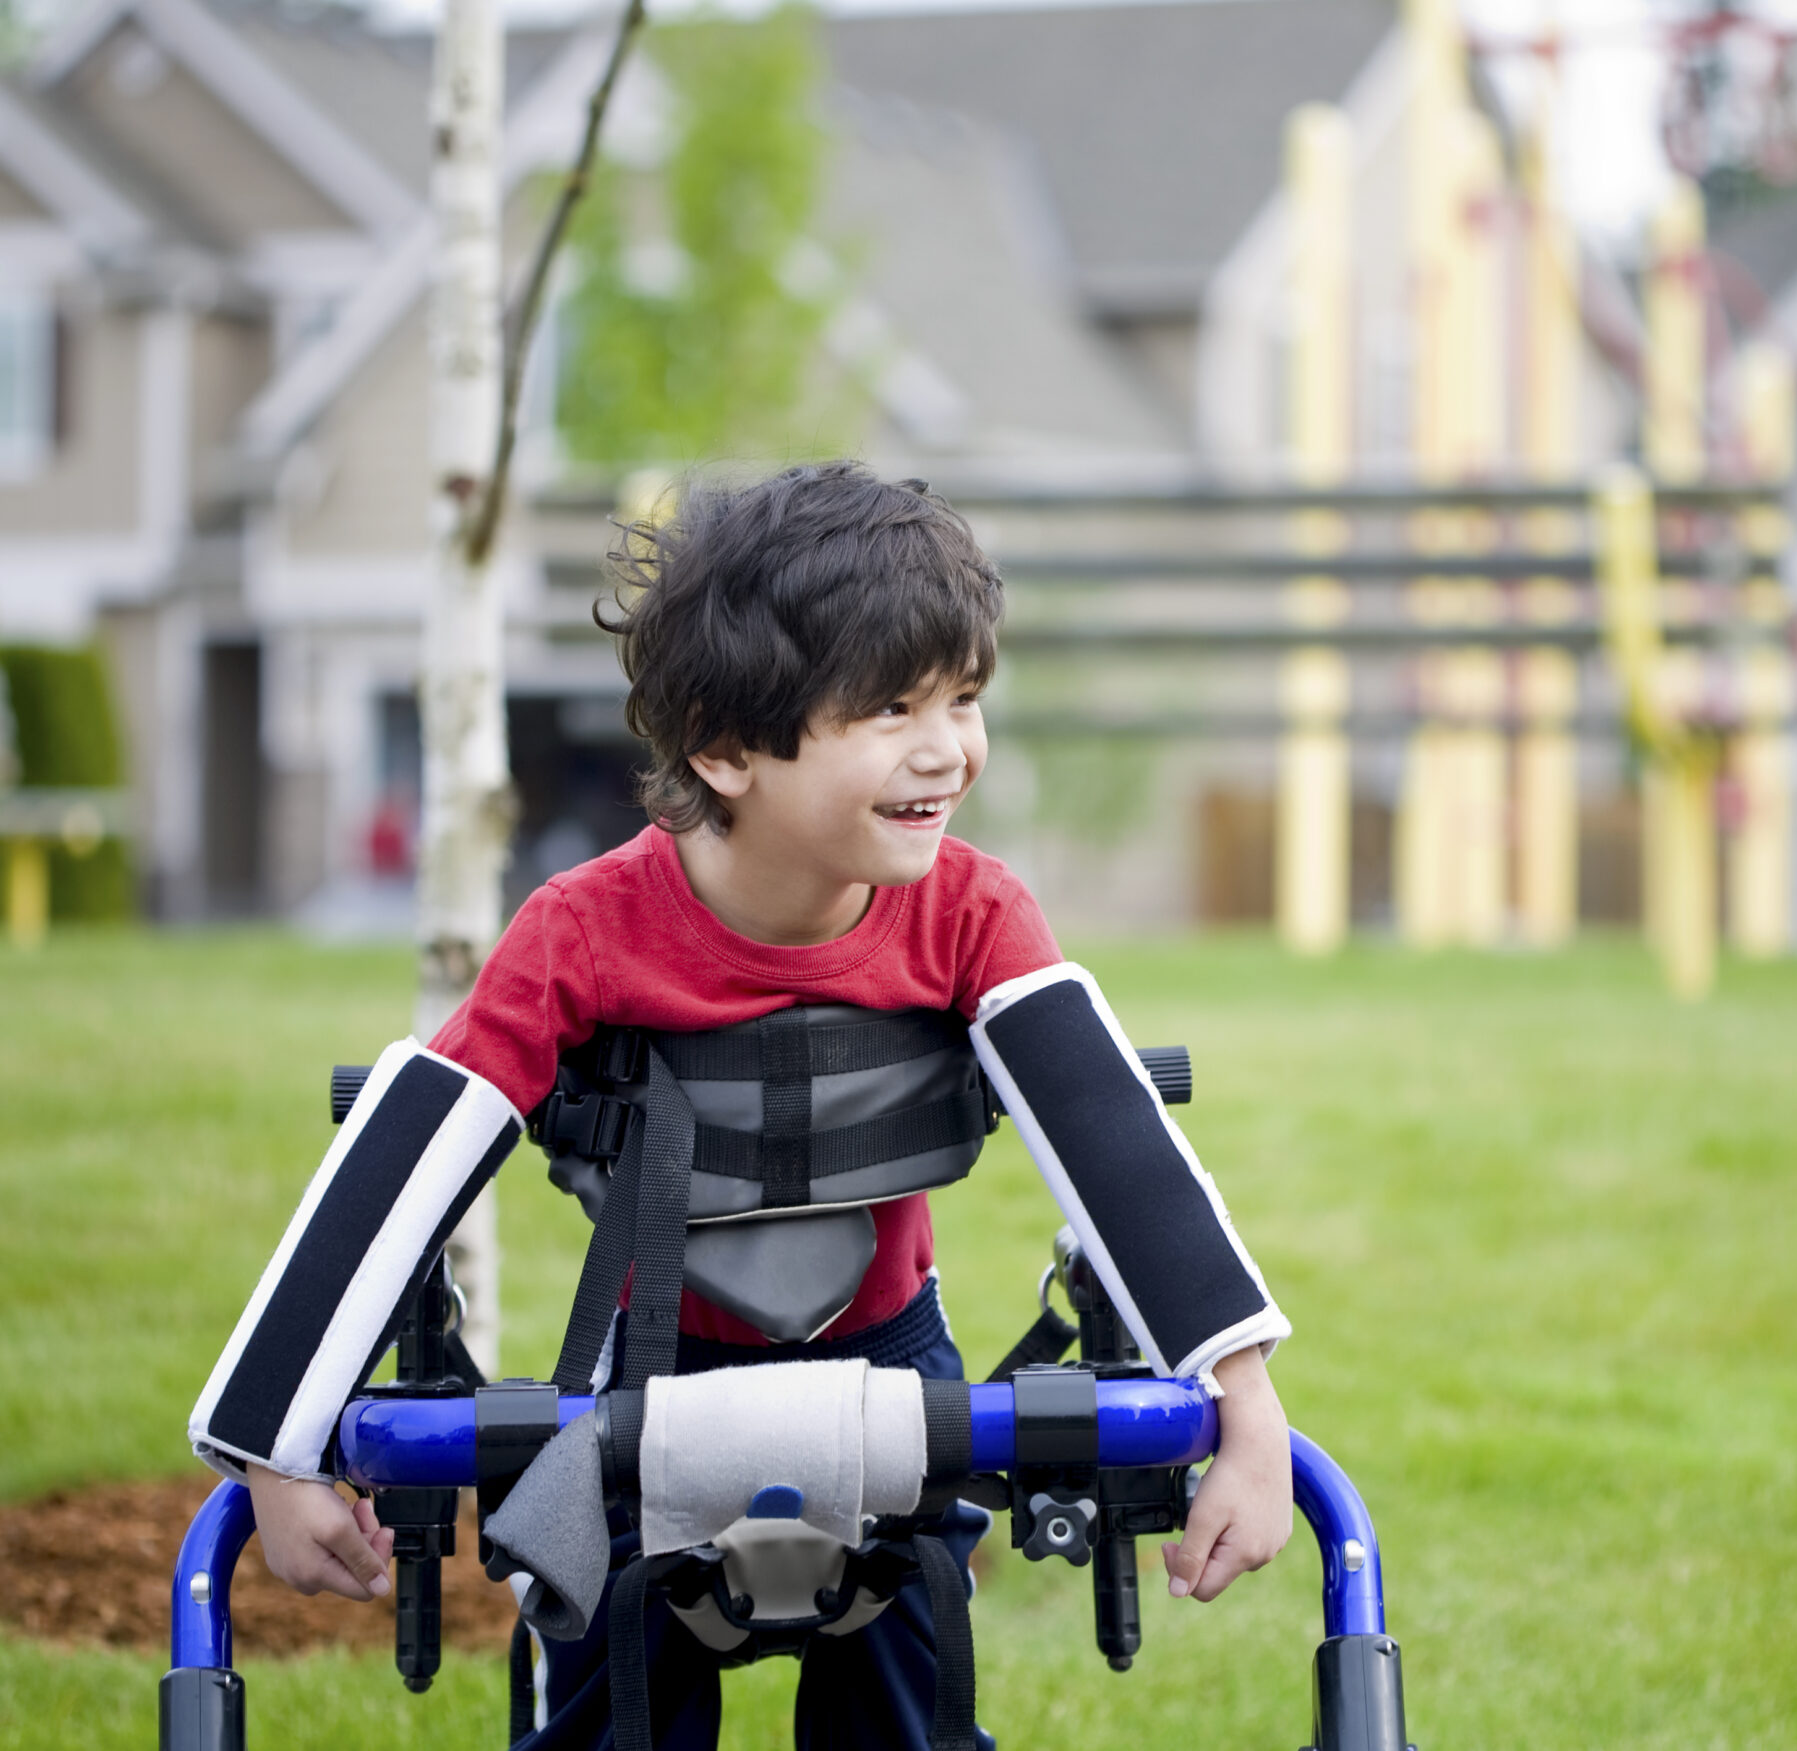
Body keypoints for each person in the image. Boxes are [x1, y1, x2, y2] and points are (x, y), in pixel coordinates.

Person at [187, 463, 1295, 1749]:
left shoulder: (972, 911)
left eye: (965, 697)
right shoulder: (582, 930)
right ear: (723, 745)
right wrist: (277, 1443)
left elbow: (1117, 1149)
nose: (947, 747)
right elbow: (411, 1151)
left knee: (909, 1726)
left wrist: (1245, 1403)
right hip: (650, 1385)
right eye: (891, 707)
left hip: (893, 1372)